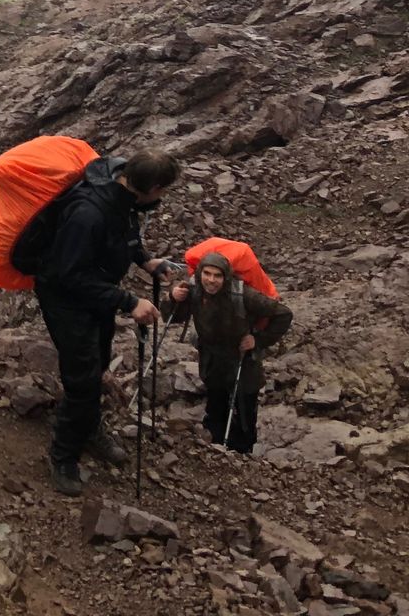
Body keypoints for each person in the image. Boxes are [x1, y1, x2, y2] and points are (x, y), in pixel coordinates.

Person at [31, 150, 181, 495]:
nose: (161, 198)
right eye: (162, 191)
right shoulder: (87, 214)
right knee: (82, 377)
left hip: (95, 296)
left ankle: (89, 428)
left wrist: (145, 260)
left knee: (97, 366)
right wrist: (129, 302)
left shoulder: (122, 198)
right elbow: (69, 275)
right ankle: (64, 455)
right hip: (66, 301)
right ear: (152, 186)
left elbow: (124, 235)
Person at [169, 248, 293, 454]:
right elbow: (174, 317)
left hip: (242, 361)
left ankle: (242, 457)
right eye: (206, 274)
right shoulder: (194, 290)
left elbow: (284, 314)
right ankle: (213, 452)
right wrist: (174, 298)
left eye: (217, 275)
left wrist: (258, 340)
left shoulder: (243, 294)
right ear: (199, 273)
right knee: (215, 407)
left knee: (244, 413)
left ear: (226, 277)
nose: (211, 280)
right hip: (212, 361)